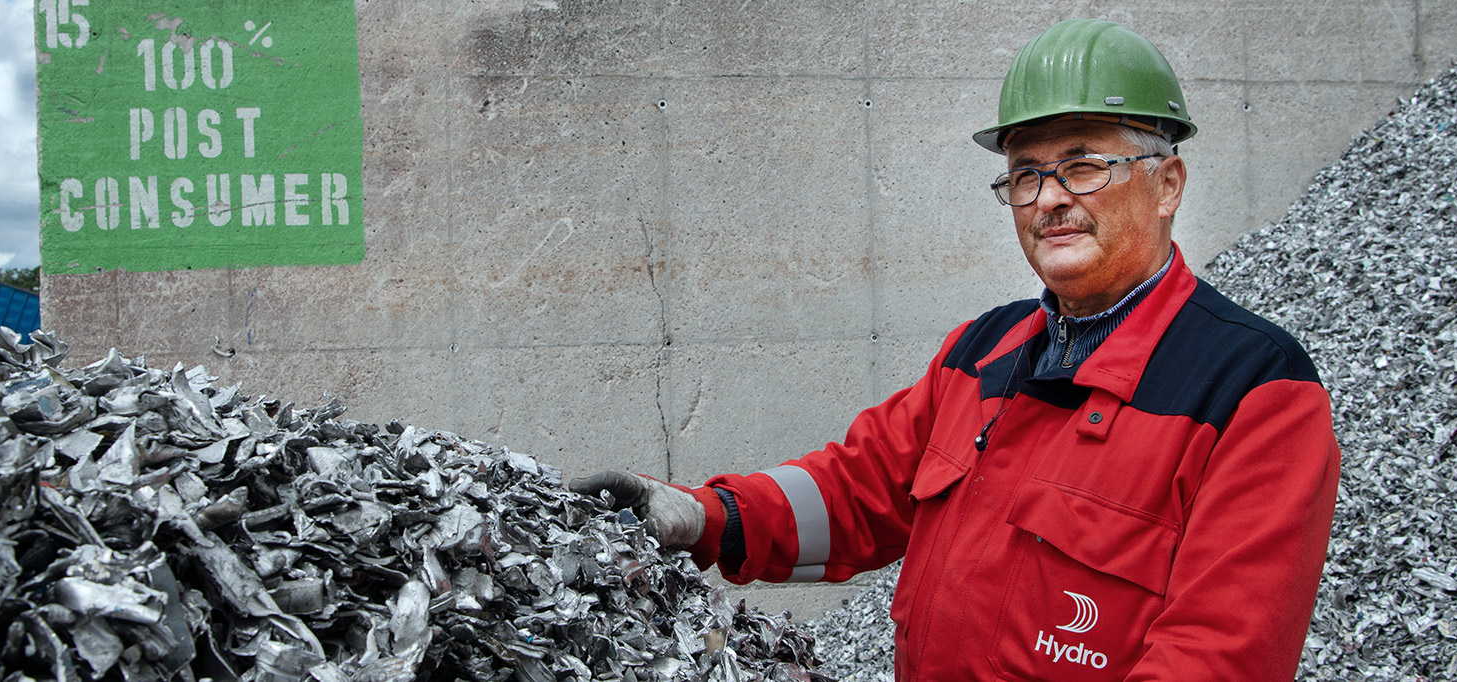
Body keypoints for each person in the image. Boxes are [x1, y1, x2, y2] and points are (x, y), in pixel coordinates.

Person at [572, 18, 1340, 681]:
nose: (1049, 198)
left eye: (1083, 165)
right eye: (1025, 174)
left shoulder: (1251, 391)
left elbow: (1217, 656)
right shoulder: (981, 354)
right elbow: (851, 497)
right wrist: (701, 516)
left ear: (1167, 183)